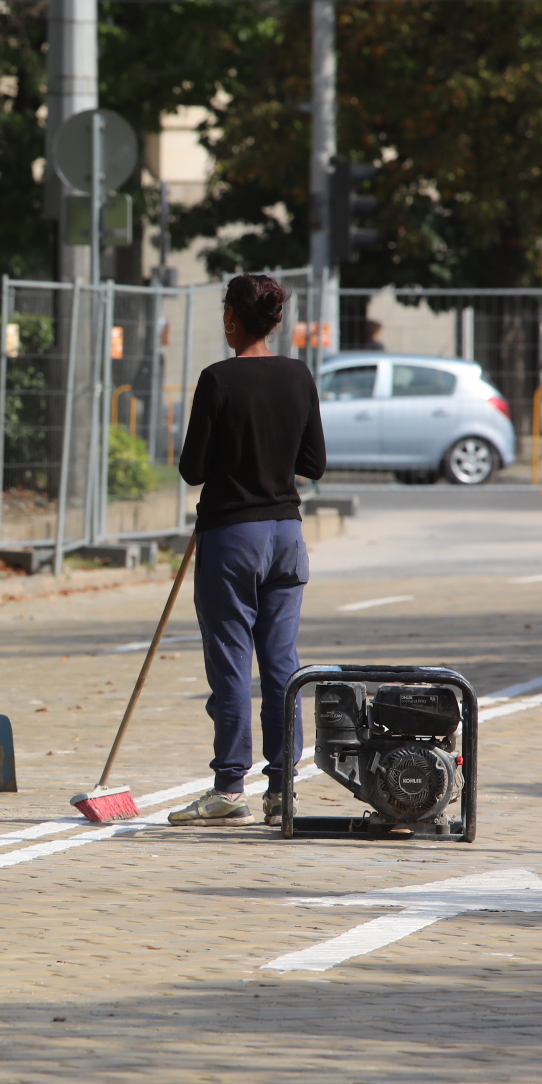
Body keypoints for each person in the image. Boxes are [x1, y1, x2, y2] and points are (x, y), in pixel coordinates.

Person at [170, 274, 327, 828]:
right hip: (286, 535)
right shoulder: (298, 375)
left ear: (235, 317)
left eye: (224, 312)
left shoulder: (218, 380)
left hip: (232, 537)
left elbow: (192, 469)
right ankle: (282, 789)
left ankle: (229, 786)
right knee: (281, 664)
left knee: (232, 664)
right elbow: (314, 463)